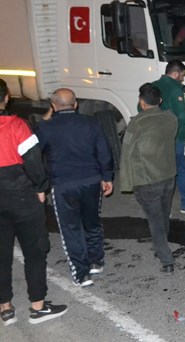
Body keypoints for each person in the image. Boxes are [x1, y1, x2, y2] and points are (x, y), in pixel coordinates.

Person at [0, 77, 68, 326]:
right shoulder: (17, 126)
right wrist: (41, 188)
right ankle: (38, 307)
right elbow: (34, 160)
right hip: (23, 198)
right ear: (7, 97)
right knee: (35, 251)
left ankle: (5, 308)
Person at [35, 88, 114, 288]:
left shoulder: (47, 127)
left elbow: (33, 149)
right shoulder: (90, 123)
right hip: (90, 181)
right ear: (76, 104)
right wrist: (106, 177)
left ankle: (82, 273)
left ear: (53, 106)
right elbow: (104, 151)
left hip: (63, 184)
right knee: (92, 222)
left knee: (71, 229)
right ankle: (96, 261)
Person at [117, 83, 179, 273]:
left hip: (146, 179)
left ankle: (165, 258)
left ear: (141, 102)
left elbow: (126, 153)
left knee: (154, 219)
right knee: (163, 214)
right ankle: (162, 246)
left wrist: (126, 182)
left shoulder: (136, 123)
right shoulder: (171, 118)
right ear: (159, 101)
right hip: (168, 175)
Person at [152, 60, 185, 213]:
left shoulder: (152, 87)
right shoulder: (176, 89)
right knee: (182, 169)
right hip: (176, 138)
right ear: (176, 73)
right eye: (182, 76)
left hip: (157, 137)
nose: (182, 79)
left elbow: (141, 107)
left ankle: (163, 209)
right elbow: (182, 116)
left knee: (162, 174)